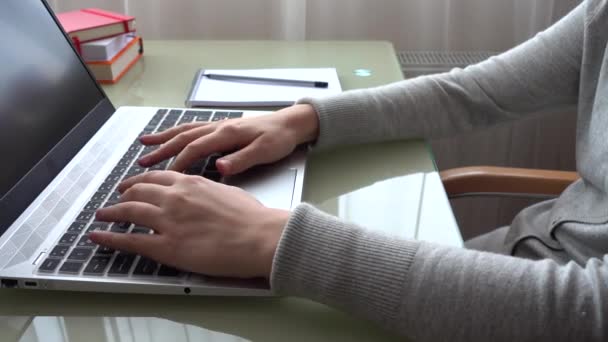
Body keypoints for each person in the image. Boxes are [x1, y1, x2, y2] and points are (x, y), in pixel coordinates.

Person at [90, 1, 607, 341]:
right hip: (525, 259)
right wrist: (304, 119)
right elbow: (475, 93)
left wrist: (279, 241)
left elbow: (582, 311)